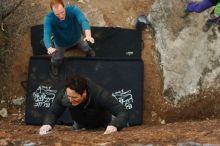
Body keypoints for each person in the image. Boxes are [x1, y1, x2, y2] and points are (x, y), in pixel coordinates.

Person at [39, 75, 129, 135]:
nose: (70, 100)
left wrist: (115, 125)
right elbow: (54, 112)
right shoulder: (65, 94)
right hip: (80, 123)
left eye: (74, 98)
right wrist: (48, 124)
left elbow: (123, 111)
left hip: (104, 123)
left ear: (84, 93)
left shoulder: (100, 94)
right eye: (68, 96)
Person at [44, 0, 96, 77]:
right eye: (57, 14)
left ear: (64, 7)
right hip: (61, 43)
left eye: (62, 12)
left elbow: (83, 20)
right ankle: (55, 64)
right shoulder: (49, 18)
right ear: (52, 12)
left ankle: (88, 50)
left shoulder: (73, 10)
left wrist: (88, 35)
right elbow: (46, 33)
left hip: (77, 37)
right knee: (57, 56)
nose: (61, 16)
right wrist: (48, 47)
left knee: (85, 45)